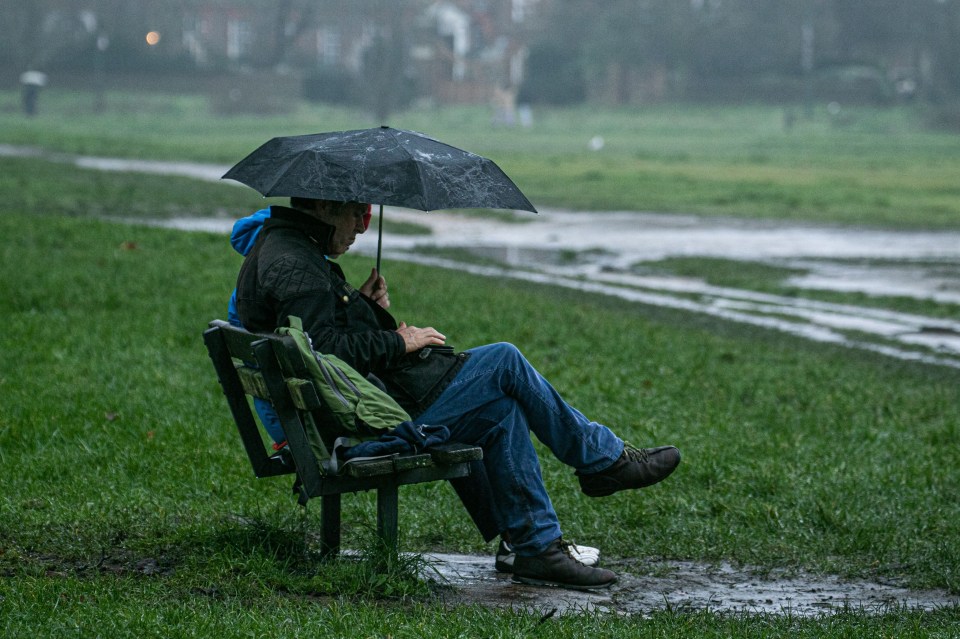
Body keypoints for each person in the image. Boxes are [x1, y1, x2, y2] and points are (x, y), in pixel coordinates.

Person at [234, 198, 681, 590]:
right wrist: (401, 342)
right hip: (359, 426)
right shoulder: (295, 263)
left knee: (501, 409)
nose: (361, 226)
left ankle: (536, 548)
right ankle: (603, 461)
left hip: (344, 413)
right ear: (324, 206)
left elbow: (318, 340)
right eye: (356, 213)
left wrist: (367, 307)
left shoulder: (287, 249)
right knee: (505, 359)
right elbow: (327, 351)